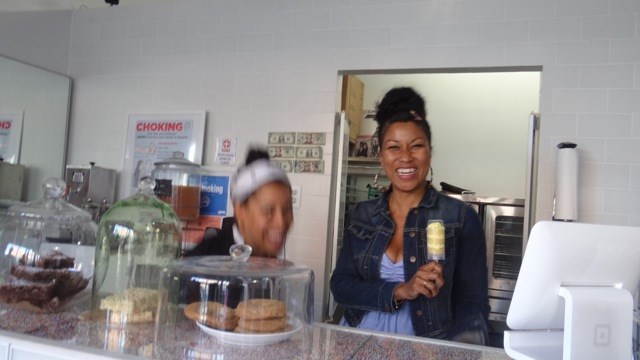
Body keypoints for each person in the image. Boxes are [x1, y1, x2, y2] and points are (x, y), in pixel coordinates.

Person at [330, 87, 489, 344]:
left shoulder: (459, 218)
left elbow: (472, 305)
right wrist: (401, 290)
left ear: (429, 151)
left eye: (416, 146)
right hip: (356, 341)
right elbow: (340, 287)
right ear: (381, 156)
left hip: (424, 347)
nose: (405, 157)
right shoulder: (362, 215)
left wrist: (459, 353)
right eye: (394, 147)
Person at [186, 147, 293, 258]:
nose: (281, 223)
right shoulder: (203, 261)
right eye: (268, 210)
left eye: (287, 210)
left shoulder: (268, 256)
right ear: (240, 211)